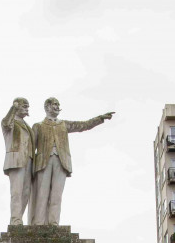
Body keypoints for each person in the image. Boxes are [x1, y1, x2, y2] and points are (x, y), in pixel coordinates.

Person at [29, 97, 114, 226]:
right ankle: (39, 223)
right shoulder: (38, 126)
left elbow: (83, 125)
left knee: (56, 195)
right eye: (54, 105)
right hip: (42, 163)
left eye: (58, 104)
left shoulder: (63, 124)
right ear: (46, 107)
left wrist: (99, 119)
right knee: (42, 194)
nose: (57, 107)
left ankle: (53, 223)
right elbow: (30, 148)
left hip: (61, 162)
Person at [2, 97, 34, 225]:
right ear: (17, 106)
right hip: (15, 160)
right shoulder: (10, 121)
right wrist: (13, 108)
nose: (27, 108)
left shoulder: (28, 126)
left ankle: (19, 217)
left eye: (28, 106)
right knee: (16, 191)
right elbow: (6, 123)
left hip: (29, 160)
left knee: (26, 192)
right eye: (24, 105)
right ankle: (15, 220)